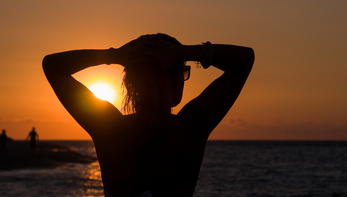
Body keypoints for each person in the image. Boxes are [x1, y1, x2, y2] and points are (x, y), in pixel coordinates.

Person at [43, 33, 254, 197]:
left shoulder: (108, 128)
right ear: (175, 78)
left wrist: (115, 55)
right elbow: (244, 60)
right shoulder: (191, 127)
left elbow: (52, 66)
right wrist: (185, 52)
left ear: (132, 83)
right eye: (184, 72)